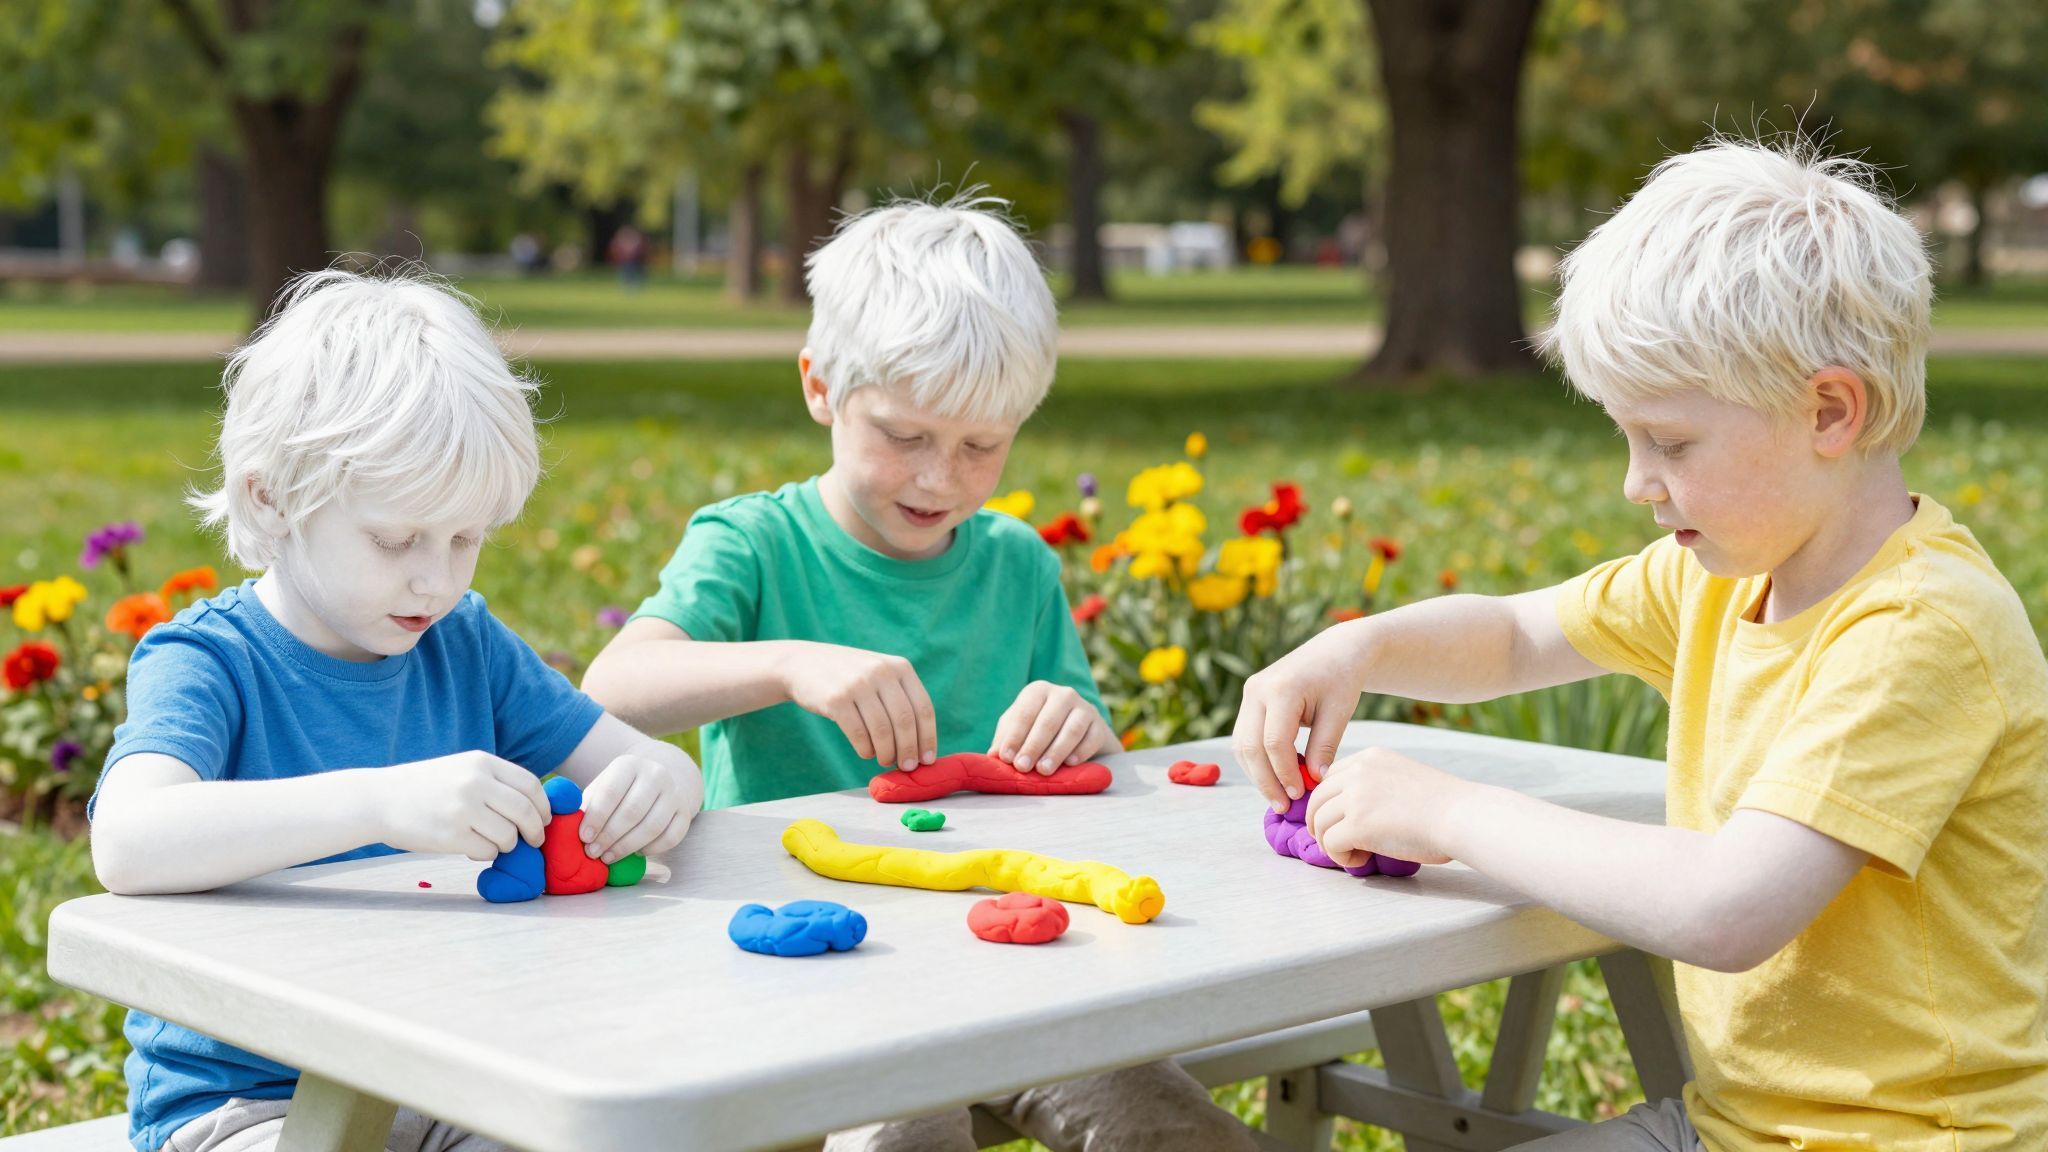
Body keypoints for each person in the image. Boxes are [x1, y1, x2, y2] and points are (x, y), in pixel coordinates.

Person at [1234, 138, 2048, 1151]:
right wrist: (1347, 653)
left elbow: (1725, 908)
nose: (1636, 482)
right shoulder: (1729, 573)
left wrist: (1447, 810)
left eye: (1668, 443)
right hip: (1727, 1127)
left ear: (1830, 412)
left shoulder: (1922, 627)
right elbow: (1515, 636)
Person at [584, 192, 1257, 1152]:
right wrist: (788, 664)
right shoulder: (754, 544)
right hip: (817, 957)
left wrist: (1080, 729)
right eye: (905, 437)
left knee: (1181, 1132)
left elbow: (1102, 774)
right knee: (907, 1125)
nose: (940, 480)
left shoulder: (1017, 562)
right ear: (820, 387)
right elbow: (614, 687)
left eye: (981, 445)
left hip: (1022, 954)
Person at [89, 268, 705, 1152]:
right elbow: (128, 841)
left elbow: (650, 763)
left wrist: (658, 782)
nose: (437, 578)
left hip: (453, 1075)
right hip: (252, 1106)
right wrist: (380, 802)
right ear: (271, 497)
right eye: (395, 539)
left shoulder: (464, 641)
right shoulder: (209, 661)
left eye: (466, 539)